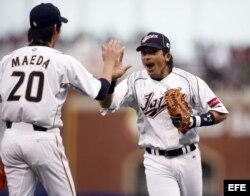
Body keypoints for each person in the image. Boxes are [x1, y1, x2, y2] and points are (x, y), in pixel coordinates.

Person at [0, 3, 125, 196]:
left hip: (11, 138)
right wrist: (109, 65)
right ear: (56, 29)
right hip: (42, 139)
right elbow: (100, 92)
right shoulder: (61, 61)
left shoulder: (8, 60)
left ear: (31, 30)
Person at [99, 32, 229, 196]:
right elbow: (107, 104)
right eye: (144, 53)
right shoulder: (135, 81)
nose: (147, 57)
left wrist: (193, 120)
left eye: (153, 52)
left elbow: (221, 112)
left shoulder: (189, 80)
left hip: (189, 157)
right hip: (156, 161)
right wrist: (111, 81)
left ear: (167, 56)